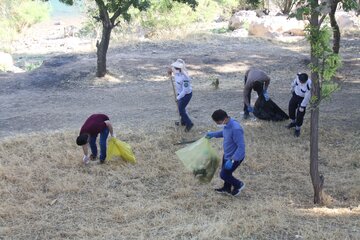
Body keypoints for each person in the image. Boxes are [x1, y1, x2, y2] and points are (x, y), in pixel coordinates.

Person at [205, 109, 246, 196]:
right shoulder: (227, 125)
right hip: (227, 154)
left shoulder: (236, 128)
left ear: (224, 119)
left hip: (235, 157)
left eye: (218, 122)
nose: (217, 124)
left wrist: (232, 160)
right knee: (227, 173)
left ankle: (239, 184)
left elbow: (241, 147)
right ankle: (226, 188)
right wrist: (213, 134)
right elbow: (224, 133)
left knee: (224, 175)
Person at [167, 59, 194, 132]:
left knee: (181, 110)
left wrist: (178, 98)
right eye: (174, 68)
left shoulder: (185, 78)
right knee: (181, 108)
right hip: (180, 93)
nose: (174, 69)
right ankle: (183, 122)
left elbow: (185, 91)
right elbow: (171, 68)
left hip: (186, 95)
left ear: (180, 69)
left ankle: (189, 124)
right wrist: (170, 72)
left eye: (176, 68)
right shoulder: (176, 72)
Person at [287, 73, 312, 137]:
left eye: (302, 82)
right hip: (295, 95)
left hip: (303, 98)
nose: (300, 83)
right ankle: (293, 122)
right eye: (300, 81)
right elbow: (293, 84)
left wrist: (302, 106)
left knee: (300, 113)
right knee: (291, 107)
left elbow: (307, 96)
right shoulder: (298, 78)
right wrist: (292, 90)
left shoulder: (309, 84)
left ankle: (297, 128)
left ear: (306, 81)